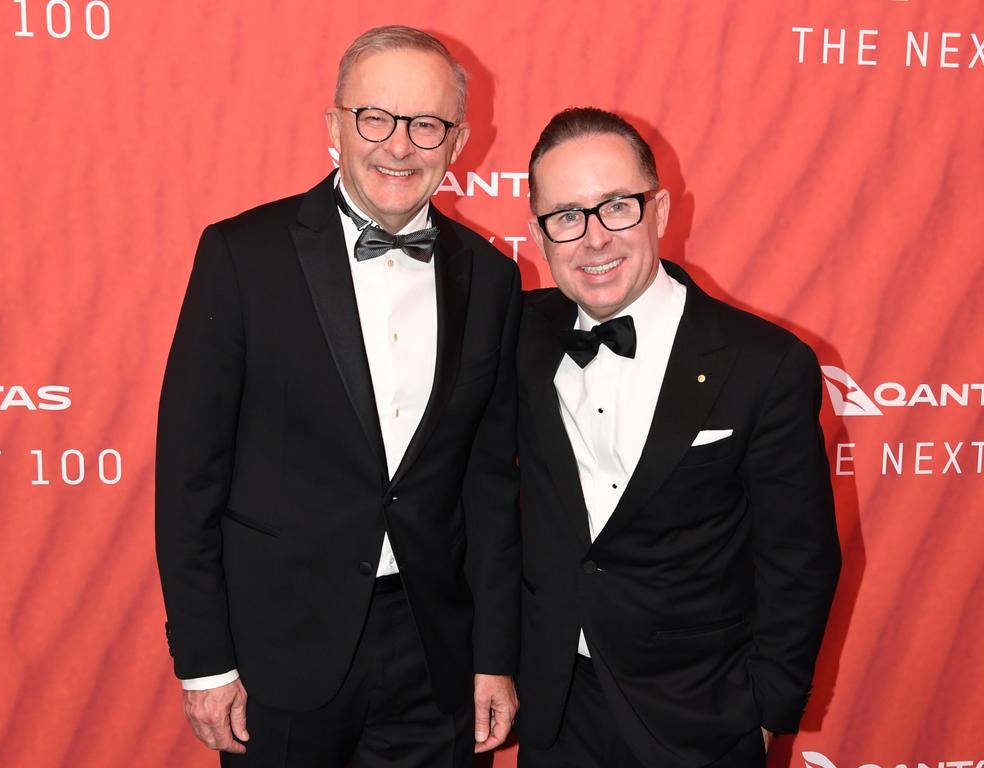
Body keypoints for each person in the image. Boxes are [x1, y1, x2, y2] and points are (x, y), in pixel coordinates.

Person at [155, 25, 520, 767]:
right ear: (335, 126)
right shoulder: (240, 256)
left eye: (426, 125)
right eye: (375, 118)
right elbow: (189, 475)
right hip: (278, 660)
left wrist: (493, 653)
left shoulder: (492, 279)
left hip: (434, 660)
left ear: (459, 141)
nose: (399, 146)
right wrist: (205, 662)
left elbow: (488, 486)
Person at [515, 107, 841, 768]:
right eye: (567, 217)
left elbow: (799, 558)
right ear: (538, 234)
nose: (594, 239)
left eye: (617, 207)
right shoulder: (516, 335)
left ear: (660, 211)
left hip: (700, 716)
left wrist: (765, 714)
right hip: (557, 712)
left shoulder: (763, 364)